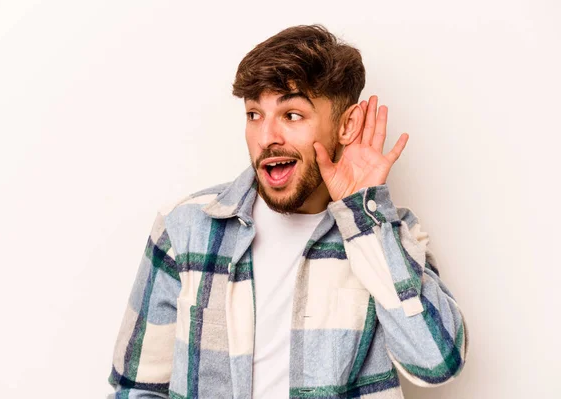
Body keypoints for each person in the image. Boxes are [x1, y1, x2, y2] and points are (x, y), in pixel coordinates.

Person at [107, 24, 468, 399]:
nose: (266, 138)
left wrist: (364, 218)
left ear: (347, 125)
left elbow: (438, 362)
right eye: (254, 115)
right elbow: (136, 386)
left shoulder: (386, 236)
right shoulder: (186, 228)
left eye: (291, 115)